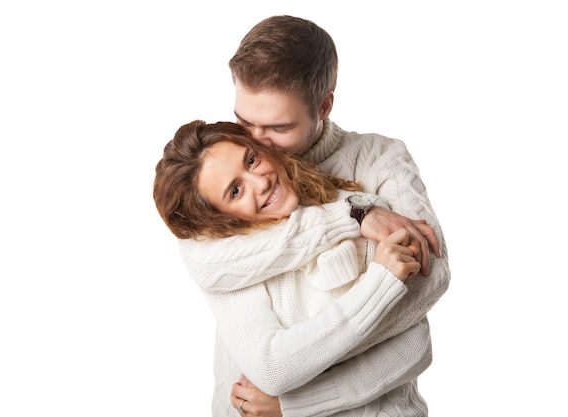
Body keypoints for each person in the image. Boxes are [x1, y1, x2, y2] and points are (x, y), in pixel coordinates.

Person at [176, 15, 450, 416]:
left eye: (278, 127)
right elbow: (204, 261)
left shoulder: (380, 160)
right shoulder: (220, 175)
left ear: (323, 106)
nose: (254, 140)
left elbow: (429, 281)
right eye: (243, 121)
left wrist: (299, 399)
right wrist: (354, 213)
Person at [154, 119, 432, 417]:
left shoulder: (353, 210)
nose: (261, 182)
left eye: (251, 159)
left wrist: (295, 403)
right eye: (235, 191)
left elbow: (414, 346)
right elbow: (273, 367)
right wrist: (380, 284)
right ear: (218, 219)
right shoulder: (230, 267)